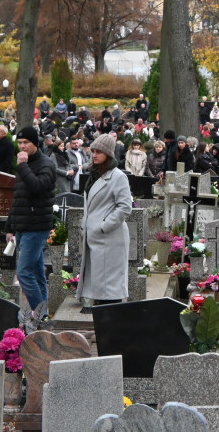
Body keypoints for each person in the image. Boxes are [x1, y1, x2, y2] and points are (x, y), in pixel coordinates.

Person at [75, 133, 132, 312]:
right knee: (99, 283)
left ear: (108, 153)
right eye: (93, 151)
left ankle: (111, 325)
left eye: (99, 151)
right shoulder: (94, 175)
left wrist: (103, 226)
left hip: (110, 238)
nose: (95, 154)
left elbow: (124, 207)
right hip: (94, 237)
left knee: (110, 288)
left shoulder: (118, 177)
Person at [5, 126, 56, 314]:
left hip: (36, 226)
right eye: (19, 143)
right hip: (23, 226)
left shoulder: (46, 164)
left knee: (24, 273)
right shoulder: (23, 165)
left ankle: (38, 313)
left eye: (26, 143)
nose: (22, 146)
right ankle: (44, 315)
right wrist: (9, 227)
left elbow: (38, 187)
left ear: (35, 143)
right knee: (37, 275)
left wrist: (23, 167)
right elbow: (18, 198)